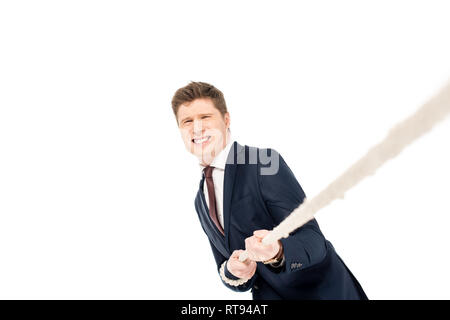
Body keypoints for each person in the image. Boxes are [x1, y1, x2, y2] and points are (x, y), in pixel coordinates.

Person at [171, 81, 368, 300]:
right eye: (187, 121)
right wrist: (233, 271)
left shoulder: (262, 163)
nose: (197, 127)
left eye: (205, 117)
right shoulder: (200, 200)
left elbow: (313, 240)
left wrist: (279, 251)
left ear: (226, 120)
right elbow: (229, 271)